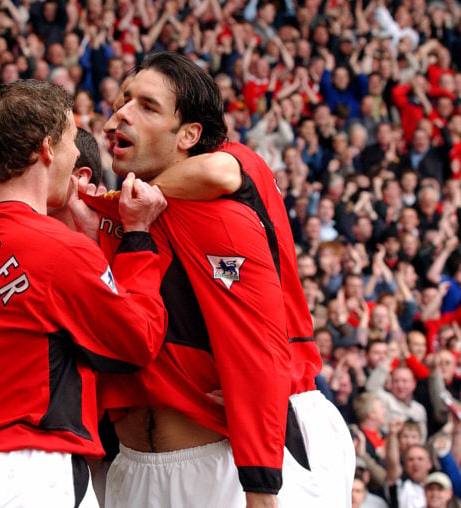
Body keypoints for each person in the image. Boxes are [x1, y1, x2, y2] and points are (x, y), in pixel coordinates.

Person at [87, 51, 353, 507]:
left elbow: (256, 349)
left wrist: (260, 482)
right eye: (121, 102)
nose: (119, 117)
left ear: (190, 134)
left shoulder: (226, 189)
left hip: (264, 432)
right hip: (140, 468)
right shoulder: (126, 219)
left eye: (147, 106)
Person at [0, 79, 168, 507]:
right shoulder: (55, 247)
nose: (76, 154)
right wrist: (138, 238)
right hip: (23, 469)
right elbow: (139, 339)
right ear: (47, 148)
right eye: (71, 140)